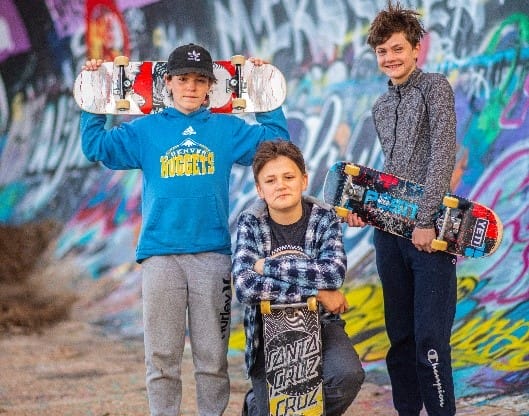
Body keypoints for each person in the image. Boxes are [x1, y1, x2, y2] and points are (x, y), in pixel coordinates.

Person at [79, 44, 289, 416]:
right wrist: (98, 90)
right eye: (182, 79)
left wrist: (263, 89)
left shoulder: (225, 130)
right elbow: (96, 146)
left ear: (210, 86)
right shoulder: (146, 131)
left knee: (212, 356)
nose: (190, 87)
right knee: (161, 356)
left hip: (212, 256)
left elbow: (278, 144)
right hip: (161, 256)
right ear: (168, 83)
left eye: (199, 80)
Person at [348, 2, 458, 415]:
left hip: (429, 235)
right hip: (389, 237)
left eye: (397, 48)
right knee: (401, 338)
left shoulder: (436, 88)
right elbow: (392, 174)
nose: (390, 58)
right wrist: (367, 210)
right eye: (382, 52)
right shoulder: (381, 106)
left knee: (430, 339)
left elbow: (441, 156)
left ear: (416, 49)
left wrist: (428, 221)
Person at [232, 140, 365, 416]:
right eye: (270, 180)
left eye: (289, 177)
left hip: (321, 323)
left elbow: (333, 273)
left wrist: (267, 266)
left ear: (304, 180)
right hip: (267, 330)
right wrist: (315, 293)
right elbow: (245, 287)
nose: (281, 185)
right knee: (273, 409)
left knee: (346, 376)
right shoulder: (251, 221)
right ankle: (257, 405)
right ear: (260, 189)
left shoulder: (323, 218)